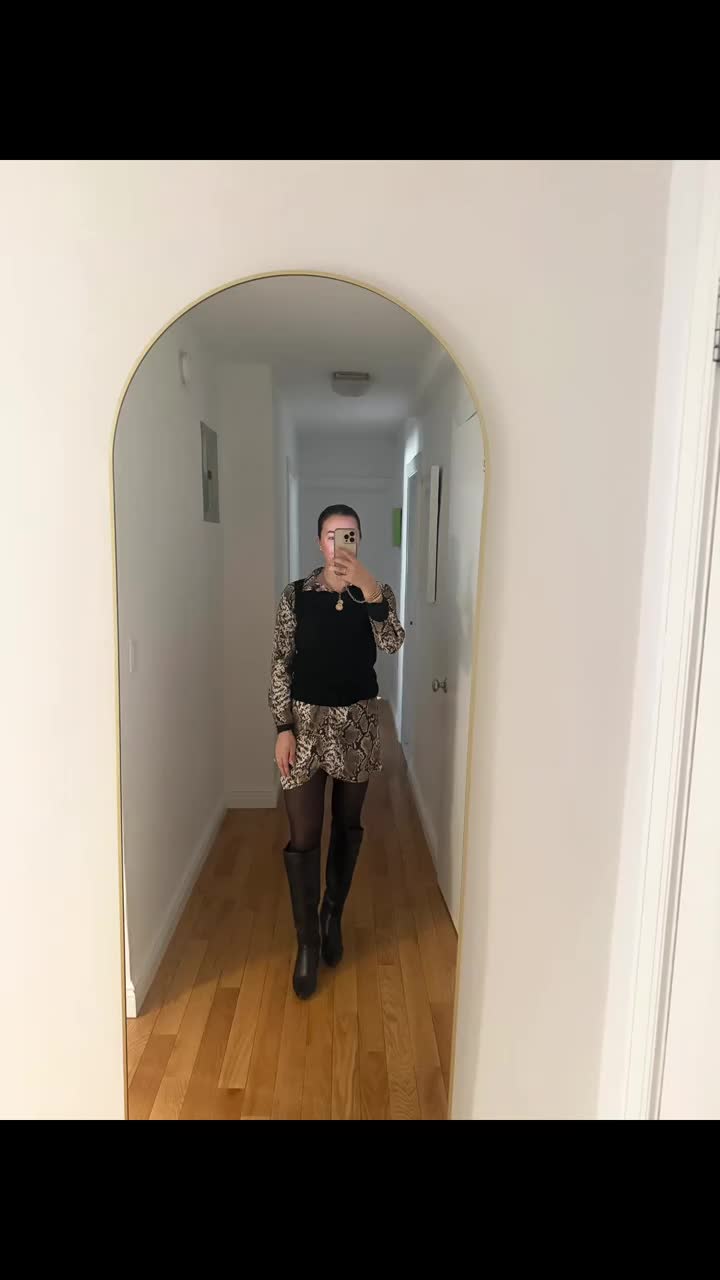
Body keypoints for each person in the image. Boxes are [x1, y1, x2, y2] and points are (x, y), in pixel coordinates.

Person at [269, 504, 405, 999]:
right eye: (331, 535)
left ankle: (332, 915)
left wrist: (370, 590)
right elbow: (281, 662)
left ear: (359, 540)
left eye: (348, 534)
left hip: (358, 726)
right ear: (318, 542)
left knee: (348, 825)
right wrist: (282, 727)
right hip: (304, 726)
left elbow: (393, 642)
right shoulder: (296, 596)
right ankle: (307, 942)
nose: (338, 543)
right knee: (303, 835)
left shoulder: (376, 593)